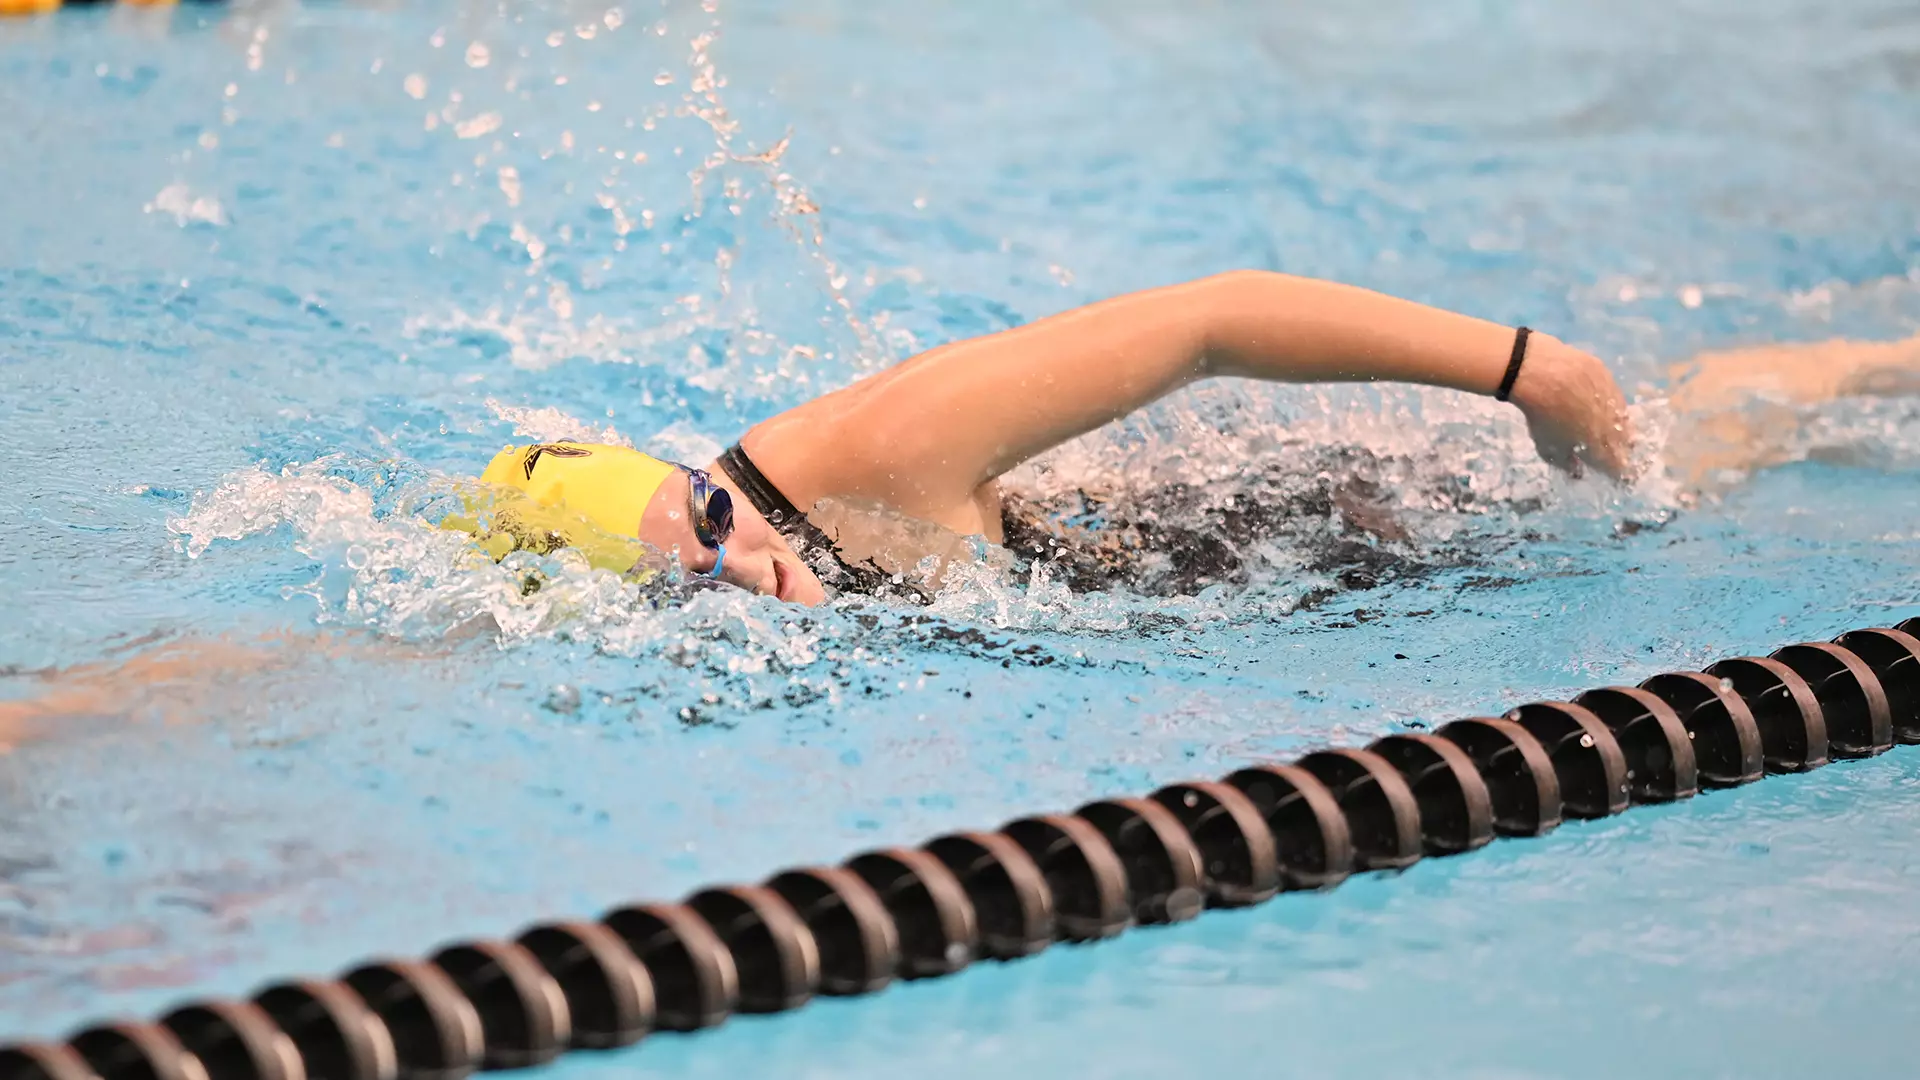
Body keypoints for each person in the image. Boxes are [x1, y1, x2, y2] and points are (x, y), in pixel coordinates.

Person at [468, 270, 1636, 605]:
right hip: (1198, 585)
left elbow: (1212, 318)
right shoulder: (728, 600)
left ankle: (1806, 379)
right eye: (688, 588)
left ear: (713, 487)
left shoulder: (877, 448)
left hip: (1330, 521)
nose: (740, 573)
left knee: (1710, 466)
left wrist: (1534, 372)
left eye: (715, 522)